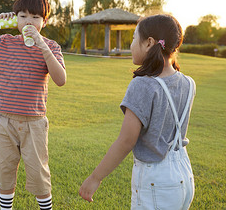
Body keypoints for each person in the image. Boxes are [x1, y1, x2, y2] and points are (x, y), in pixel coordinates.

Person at [79, 14, 196, 209]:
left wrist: (95, 177)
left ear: (149, 42)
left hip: (156, 180)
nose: (131, 44)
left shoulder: (143, 85)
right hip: (184, 175)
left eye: (134, 38)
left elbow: (126, 141)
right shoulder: (188, 83)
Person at [0, 0, 66, 210]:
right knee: (5, 172)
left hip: (35, 123)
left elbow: (61, 80)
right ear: (15, 19)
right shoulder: (3, 42)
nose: (29, 21)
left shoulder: (51, 47)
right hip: (5, 121)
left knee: (38, 173)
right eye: (23, 16)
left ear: (44, 21)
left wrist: (42, 45)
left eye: (35, 17)